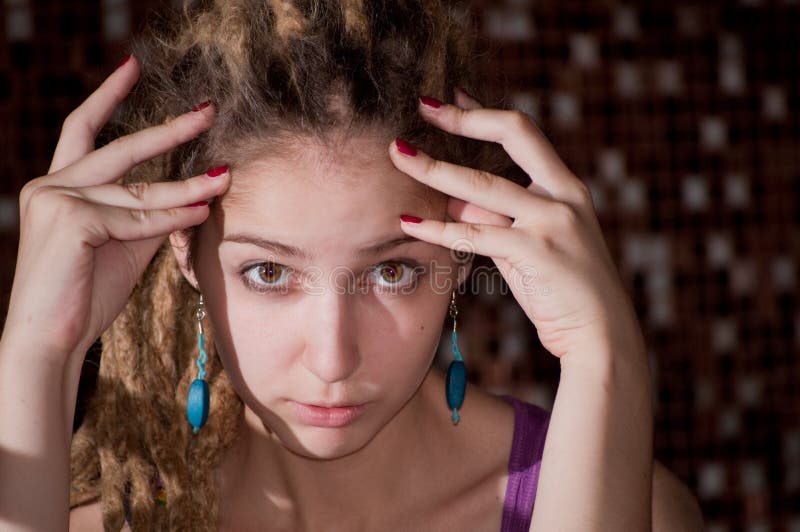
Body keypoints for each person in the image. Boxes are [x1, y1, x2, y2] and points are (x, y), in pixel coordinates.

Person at [0, 1, 704, 530]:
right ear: (184, 252)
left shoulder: (622, 509)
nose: (333, 358)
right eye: (269, 274)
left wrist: (603, 356)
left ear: (462, 257)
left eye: (391, 271)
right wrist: (38, 350)